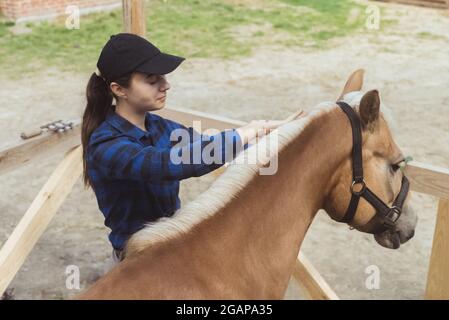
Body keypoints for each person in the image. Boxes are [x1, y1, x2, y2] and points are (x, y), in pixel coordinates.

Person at [81, 33, 304, 270]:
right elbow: (164, 165)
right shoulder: (104, 144)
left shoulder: (159, 126)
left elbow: (206, 147)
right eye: (151, 79)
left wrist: (272, 139)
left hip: (172, 248)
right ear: (119, 89)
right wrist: (243, 134)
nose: (165, 85)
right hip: (134, 263)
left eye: (163, 77)